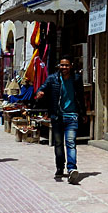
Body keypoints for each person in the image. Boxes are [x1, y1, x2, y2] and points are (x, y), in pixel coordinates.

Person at [35, 56, 85, 184]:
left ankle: (72, 168)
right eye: (62, 65)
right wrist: (40, 92)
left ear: (71, 66)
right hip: (57, 116)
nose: (64, 68)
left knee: (70, 142)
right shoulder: (53, 78)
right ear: (59, 66)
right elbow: (43, 87)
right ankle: (59, 167)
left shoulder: (76, 79)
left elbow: (80, 96)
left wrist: (83, 113)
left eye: (66, 65)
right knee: (58, 144)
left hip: (72, 116)